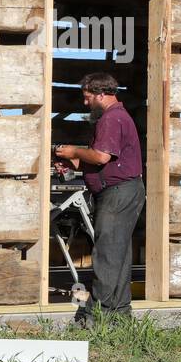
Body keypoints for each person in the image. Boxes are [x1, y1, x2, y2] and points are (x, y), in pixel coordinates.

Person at [53, 71, 144, 326]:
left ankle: (95, 317)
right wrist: (77, 160)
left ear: (101, 94)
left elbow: (102, 157)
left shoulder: (111, 119)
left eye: (88, 97)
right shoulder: (117, 117)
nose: (85, 103)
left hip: (117, 193)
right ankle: (119, 315)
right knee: (118, 255)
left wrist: (74, 151)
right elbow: (102, 160)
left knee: (106, 255)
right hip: (123, 190)